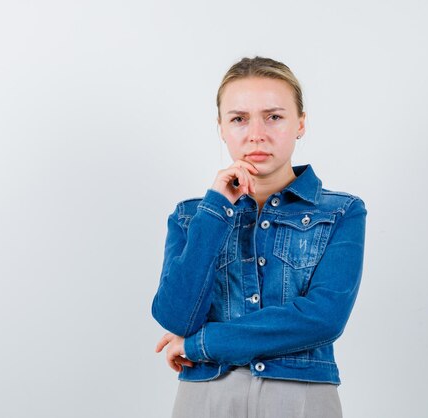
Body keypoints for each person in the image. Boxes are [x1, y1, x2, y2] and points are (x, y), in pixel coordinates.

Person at [151, 56, 367, 418]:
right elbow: (176, 317)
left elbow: (323, 317)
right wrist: (216, 208)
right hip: (206, 396)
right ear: (221, 127)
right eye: (238, 119)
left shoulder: (341, 212)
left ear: (300, 123)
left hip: (300, 394)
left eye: (274, 117)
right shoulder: (192, 215)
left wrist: (202, 343)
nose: (256, 134)